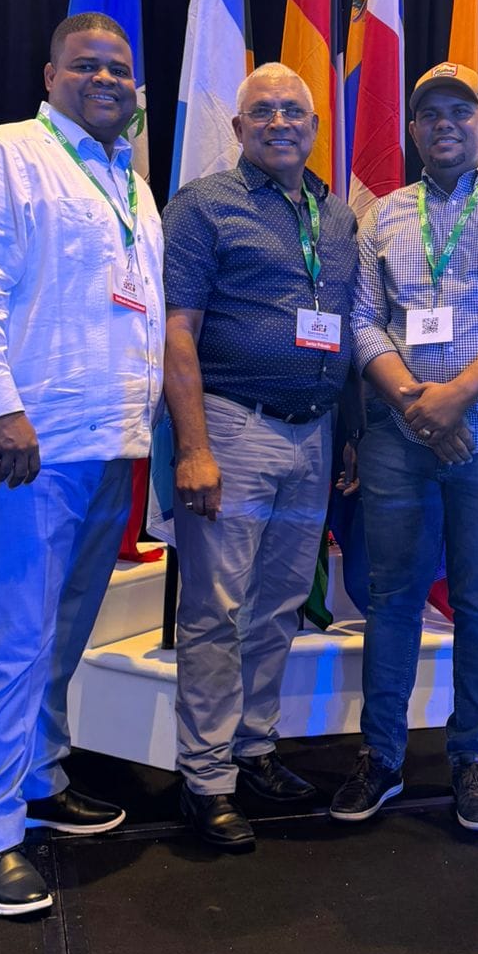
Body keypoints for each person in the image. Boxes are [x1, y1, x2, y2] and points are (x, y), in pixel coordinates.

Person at [0, 12, 164, 917]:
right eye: (86, 65)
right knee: (8, 644)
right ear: (50, 75)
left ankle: (36, 777)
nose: (105, 79)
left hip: (105, 447)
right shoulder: (0, 159)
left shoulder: (128, 182)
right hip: (20, 449)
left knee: (62, 636)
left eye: (119, 69)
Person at [330, 62, 478, 832]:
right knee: (391, 598)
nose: (445, 125)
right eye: (430, 114)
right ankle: (382, 757)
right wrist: (415, 404)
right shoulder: (385, 215)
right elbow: (363, 321)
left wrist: (455, 398)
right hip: (399, 439)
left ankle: (472, 758)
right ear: (413, 128)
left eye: (460, 111)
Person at [162, 63, 360, 852]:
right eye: (263, 111)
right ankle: (205, 779)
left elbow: (343, 328)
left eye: (293, 111)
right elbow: (177, 332)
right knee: (216, 611)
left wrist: (348, 429)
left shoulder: (336, 216)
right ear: (239, 128)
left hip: (314, 434)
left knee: (279, 604)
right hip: (231, 429)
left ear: (314, 127)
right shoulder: (203, 207)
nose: (280, 122)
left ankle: (253, 749)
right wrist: (194, 447)